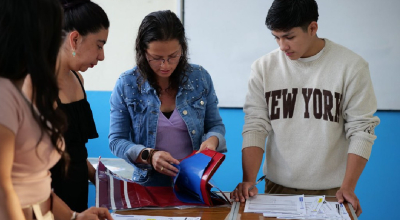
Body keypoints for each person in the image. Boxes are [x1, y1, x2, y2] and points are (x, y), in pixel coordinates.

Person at [230, 0, 380, 217]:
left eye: (289, 37)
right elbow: (255, 125)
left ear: (312, 28)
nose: (282, 46)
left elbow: (362, 130)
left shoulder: (351, 66)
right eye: (276, 37)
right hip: (276, 189)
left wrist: (348, 187)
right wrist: (249, 180)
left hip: (333, 191)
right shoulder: (263, 67)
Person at [0, 0, 113, 219]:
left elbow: (38, 184)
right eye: (54, 34)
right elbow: (6, 188)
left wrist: (74, 217)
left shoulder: (16, 89)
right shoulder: (10, 92)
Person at [109, 10, 226, 187]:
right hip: (147, 184)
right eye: (156, 58)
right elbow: (116, 140)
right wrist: (149, 155)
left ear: (183, 49)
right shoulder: (127, 83)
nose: (166, 65)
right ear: (143, 51)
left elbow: (215, 125)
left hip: (194, 182)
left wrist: (212, 141)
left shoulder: (199, 77)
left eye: (173, 56)